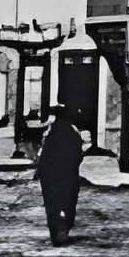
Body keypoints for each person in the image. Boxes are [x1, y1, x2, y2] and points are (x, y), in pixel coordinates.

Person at [36, 103, 87, 244]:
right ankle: (63, 228)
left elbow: (43, 156)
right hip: (67, 174)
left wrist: (41, 171)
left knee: (52, 203)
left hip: (51, 175)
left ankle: (56, 231)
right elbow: (79, 155)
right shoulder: (72, 132)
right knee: (68, 201)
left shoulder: (50, 133)